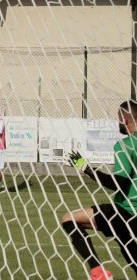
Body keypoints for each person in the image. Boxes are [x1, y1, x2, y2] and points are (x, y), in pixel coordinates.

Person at [63, 100, 137, 280]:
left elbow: (119, 183)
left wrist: (86, 168)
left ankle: (98, 273)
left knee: (69, 219)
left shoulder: (126, 144)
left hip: (126, 210)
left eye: (118, 119)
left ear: (124, 119)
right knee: (124, 240)